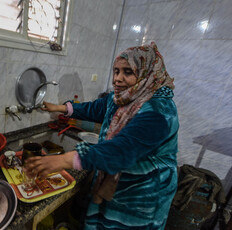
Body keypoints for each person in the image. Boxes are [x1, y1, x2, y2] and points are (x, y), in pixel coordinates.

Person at [25, 42, 179, 229]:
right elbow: (95, 108)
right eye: (116, 71)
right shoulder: (123, 96)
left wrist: (65, 159)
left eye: (127, 72)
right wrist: (60, 108)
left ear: (147, 73)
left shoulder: (159, 110)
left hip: (142, 192)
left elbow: (122, 150)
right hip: (117, 181)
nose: (117, 79)